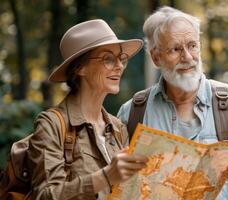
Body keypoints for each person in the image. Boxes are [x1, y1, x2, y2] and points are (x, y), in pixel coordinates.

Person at [117, 6, 228, 199]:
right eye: (175, 49)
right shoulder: (133, 112)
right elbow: (117, 183)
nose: (188, 57)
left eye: (192, 45)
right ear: (156, 57)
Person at [28, 19, 148, 199]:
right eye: (108, 58)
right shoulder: (51, 124)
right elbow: (45, 195)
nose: (119, 66)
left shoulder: (118, 128)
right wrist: (105, 177)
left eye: (121, 58)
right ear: (80, 67)